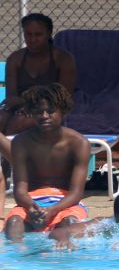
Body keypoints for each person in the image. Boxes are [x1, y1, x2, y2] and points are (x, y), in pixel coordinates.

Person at [2, 14, 78, 201]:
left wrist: (30, 105)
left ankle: (12, 172)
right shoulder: (16, 59)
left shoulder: (62, 59)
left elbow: (63, 96)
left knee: (16, 124)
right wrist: (21, 104)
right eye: (28, 35)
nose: (33, 39)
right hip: (20, 107)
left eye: (38, 34)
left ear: (49, 34)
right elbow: (11, 97)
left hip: (50, 110)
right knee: (3, 118)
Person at [4, 84, 91, 242]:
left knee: (70, 225)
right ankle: (18, 264)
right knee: (13, 224)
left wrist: (53, 210)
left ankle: (65, 264)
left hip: (66, 203)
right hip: (31, 202)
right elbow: (20, 190)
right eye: (38, 111)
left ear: (62, 111)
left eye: (50, 111)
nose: (44, 116)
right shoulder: (21, 142)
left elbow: (76, 193)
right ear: (30, 113)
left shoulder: (79, 143)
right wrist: (30, 207)